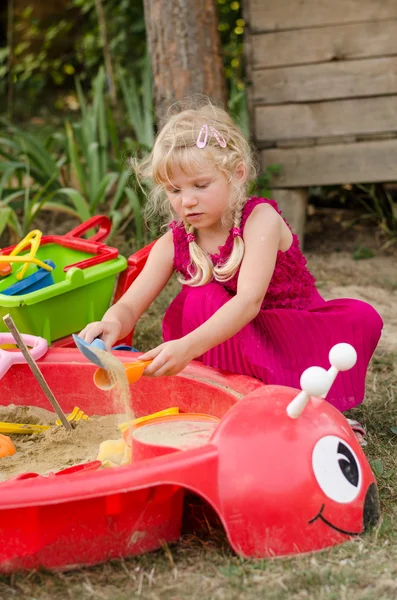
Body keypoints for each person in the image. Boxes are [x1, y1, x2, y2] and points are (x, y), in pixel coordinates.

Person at [79, 99, 383, 424]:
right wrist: (111, 322)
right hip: (230, 342)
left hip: (287, 336)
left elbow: (248, 302)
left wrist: (186, 347)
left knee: (357, 318)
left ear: (236, 174)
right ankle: (239, 394)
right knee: (200, 297)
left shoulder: (259, 219)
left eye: (201, 185)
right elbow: (130, 305)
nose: (188, 200)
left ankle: (312, 409)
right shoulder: (175, 240)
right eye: (174, 190)